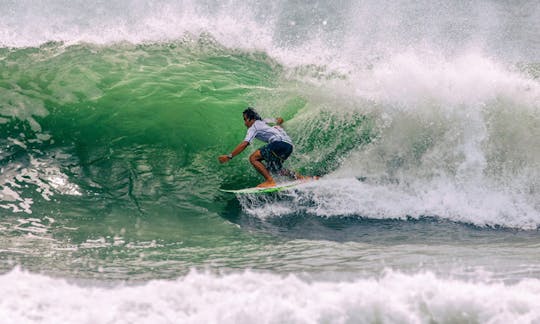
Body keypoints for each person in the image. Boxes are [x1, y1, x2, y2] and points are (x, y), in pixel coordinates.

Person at [218, 107, 303, 188]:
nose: (245, 123)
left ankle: (270, 181)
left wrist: (229, 156)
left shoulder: (253, 127)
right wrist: (278, 125)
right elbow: (280, 119)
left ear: (251, 119)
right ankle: (301, 178)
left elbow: (245, 144)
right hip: (289, 146)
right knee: (275, 169)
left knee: (253, 158)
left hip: (279, 144)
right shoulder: (265, 121)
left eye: (245, 119)